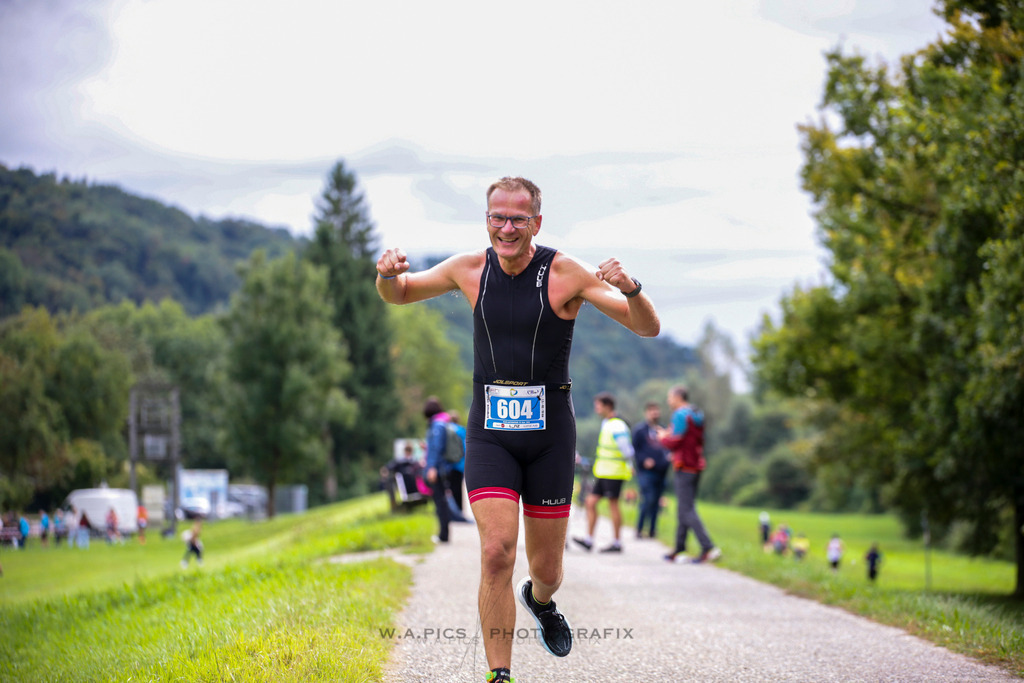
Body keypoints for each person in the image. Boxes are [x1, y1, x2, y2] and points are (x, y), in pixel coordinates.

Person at [375, 176, 660, 682]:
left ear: (537, 223)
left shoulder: (566, 272)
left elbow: (645, 326)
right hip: (490, 433)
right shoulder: (468, 268)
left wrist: (630, 288)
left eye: (517, 219)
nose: (506, 228)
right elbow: (399, 294)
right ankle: (500, 674)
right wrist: (385, 275)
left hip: (551, 437)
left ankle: (541, 600)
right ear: (486, 219)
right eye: (497, 218)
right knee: (495, 552)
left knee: (546, 570)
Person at [659, 386, 721, 564]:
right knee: (684, 508)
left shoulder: (680, 414)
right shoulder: (696, 412)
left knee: (687, 509)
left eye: (669, 397)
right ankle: (679, 548)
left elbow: (675, 440)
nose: (668, 401)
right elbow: (690, 438)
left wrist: (663, 437)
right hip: (696, 464)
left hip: (684, 465)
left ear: (678, 397)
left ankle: (708, 547)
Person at [573, 393, 634, 553]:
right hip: (603, 472)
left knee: (613, 505)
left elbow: (627, 450)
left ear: (607, 406)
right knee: (590, 502)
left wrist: (628, 464)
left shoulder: (617, 425)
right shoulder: (607, 423)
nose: (596, 408)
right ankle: (589, 540)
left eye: (598, 405)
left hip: (614, 472)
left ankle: (616, 542)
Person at [632, 401, 670, 539]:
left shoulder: (663, 429)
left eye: (657, 411)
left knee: (656, 502)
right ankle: (640, 529)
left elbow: (668, 447)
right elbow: (634, 449)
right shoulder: (640, 430)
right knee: (648, 499)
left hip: (661, 472)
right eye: (652, 411)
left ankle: (652, 530)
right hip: (645, 472)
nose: (655, 413)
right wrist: (643, 460)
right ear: (647, 412)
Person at [422, 396, 455, 543]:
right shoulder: (443, 422)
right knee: (441, 501)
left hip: (438, 469)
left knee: (440, 502)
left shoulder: (437, 425)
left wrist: (432, 468)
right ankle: (444, 533)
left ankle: (443, 535)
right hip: (443, 467)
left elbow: (436, 448)